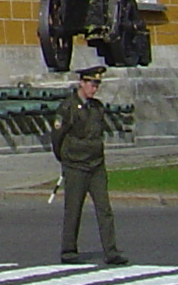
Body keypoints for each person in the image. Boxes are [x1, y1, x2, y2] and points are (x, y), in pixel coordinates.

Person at [54, 65, 126, 264]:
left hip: (96, 165)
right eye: (92, 84)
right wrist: (66, 159)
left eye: (97, 85)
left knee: (104, 209)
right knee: (73, 209)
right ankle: (69, 251)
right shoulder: (68, 107)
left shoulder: (97, 107)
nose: (94, 89)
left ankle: (111, 252)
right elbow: (57, 137)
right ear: (82, 83)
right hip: (76, 165)